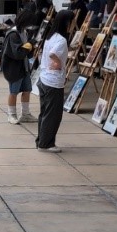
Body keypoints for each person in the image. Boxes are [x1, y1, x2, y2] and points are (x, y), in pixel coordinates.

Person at [36, 10, 75, 152]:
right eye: (72, 22)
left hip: (44, 78)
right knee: (52, 115)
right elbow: (53, 53)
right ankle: (46, 144)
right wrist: (58, 63)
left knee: (45, 113)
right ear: (67, 23)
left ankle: (41, 140)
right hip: (53, 82)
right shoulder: (61, 39)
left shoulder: (51, 36)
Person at [1, 6, 39, 124]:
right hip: (13, 68)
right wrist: (30, 44)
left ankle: (25, 114)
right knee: (14, 91)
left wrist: (31, 47)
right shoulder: (13, 34)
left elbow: (25, 51)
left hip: (24, 66)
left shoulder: (24, 32)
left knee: (27, 90)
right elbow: (18, 53)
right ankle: (11, 115)